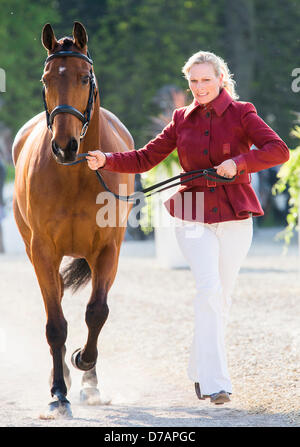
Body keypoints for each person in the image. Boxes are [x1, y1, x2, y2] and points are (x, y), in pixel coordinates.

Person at [86, 51, 290, 405]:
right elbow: (145, 157)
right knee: (209, 290)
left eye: (205, 80)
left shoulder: (244, 113)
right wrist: (107, 159)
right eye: (193, 81)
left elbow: (278, 151)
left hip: (235, 215)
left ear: (221, 79)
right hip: (192, 213)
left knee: (221, 298)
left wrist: (239, 163)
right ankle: (216, 384)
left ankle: (198, 369)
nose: (199, 87)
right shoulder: (181, 119)